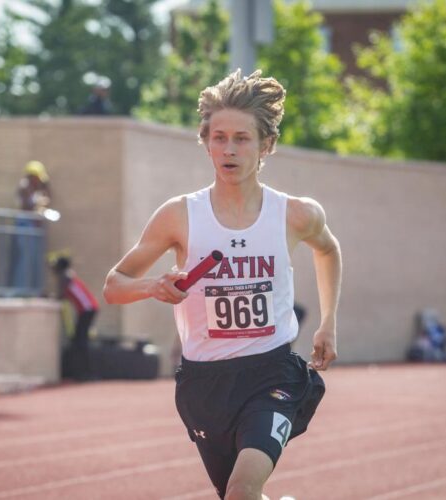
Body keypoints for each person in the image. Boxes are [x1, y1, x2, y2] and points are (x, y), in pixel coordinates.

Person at [104, 69, 342, 500]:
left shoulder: (295, 214)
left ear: (266, 144)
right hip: (204, 383)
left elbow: (328, 250)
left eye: (241, 139)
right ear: (205, 141)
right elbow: (114, 285)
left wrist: (328, 323)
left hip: (272, 373)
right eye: (218, 138)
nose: (228, 150)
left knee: (242, 490)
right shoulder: (180, 215)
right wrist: (155, 286)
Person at [51, 255, 99, 380]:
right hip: (87, 309)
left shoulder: (66, 276)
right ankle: (83, 371)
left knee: (80, 341)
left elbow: (61, 296)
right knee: (78, 340)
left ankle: (86, 373)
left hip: (87, 309)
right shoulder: (69, 275)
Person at [10, 160, 51, 293]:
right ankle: (20, 289)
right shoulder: (25, 186)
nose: (39, 181)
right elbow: (27, 206)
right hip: (25, 225)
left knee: (32, 258)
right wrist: (39, 204)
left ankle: (30, 289)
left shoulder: (36, 188)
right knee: (25, 259)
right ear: (32, 176)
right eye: (37, 178)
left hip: (32, 226)